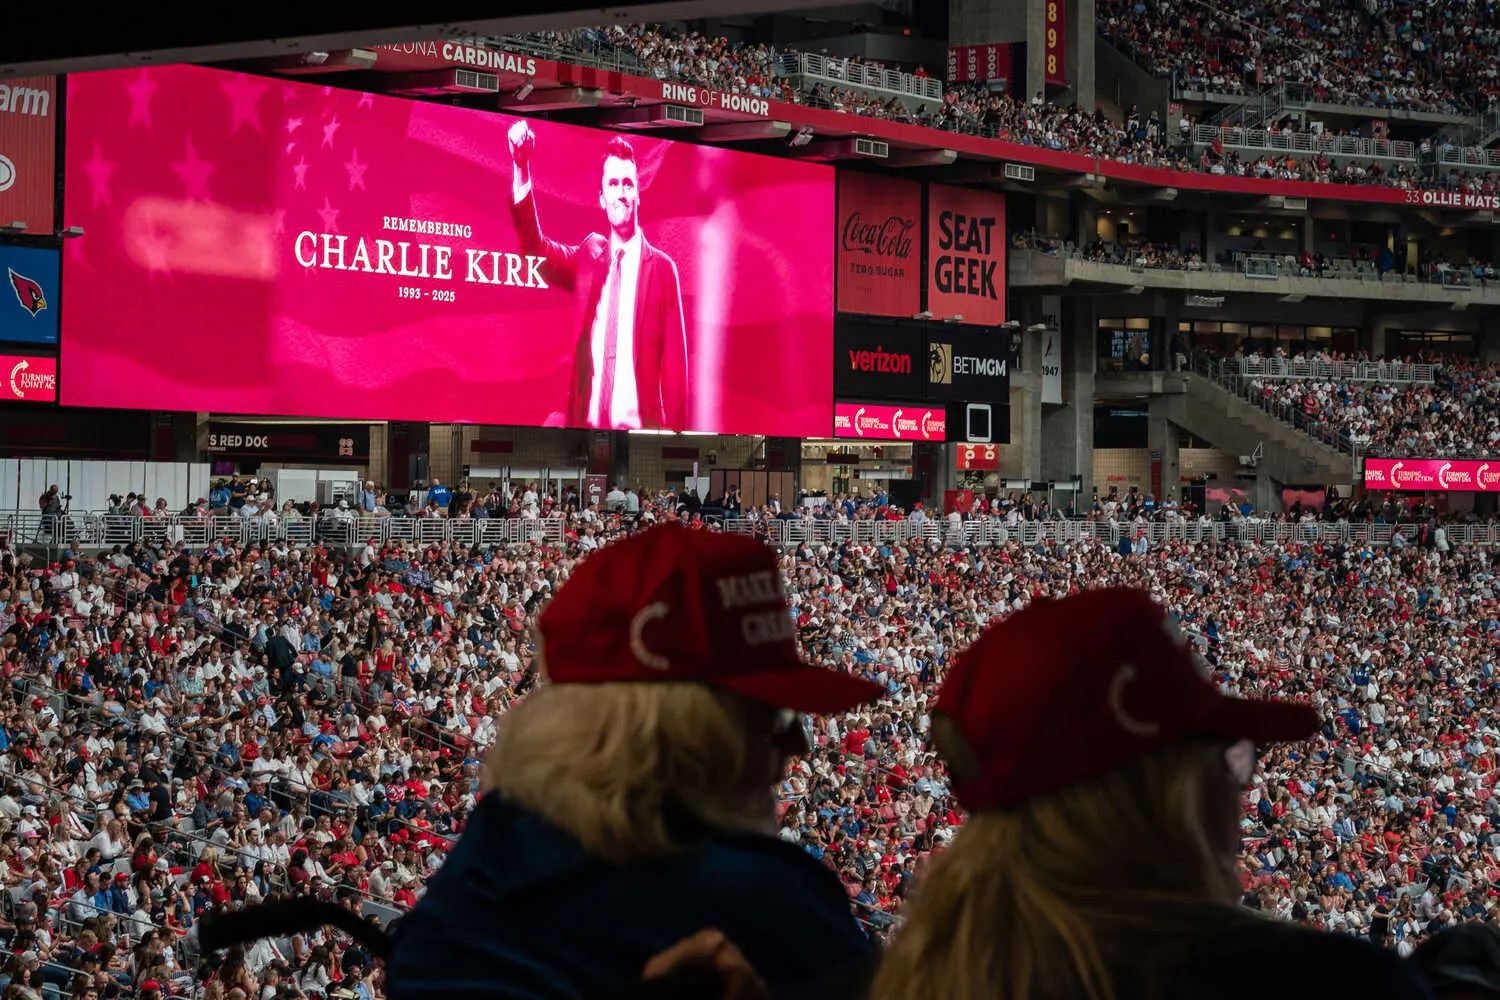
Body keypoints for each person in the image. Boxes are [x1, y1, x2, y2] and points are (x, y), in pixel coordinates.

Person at [386, 523, 881, 998]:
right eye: (770, 718)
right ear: (687, 735)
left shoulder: (471, 879)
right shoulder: (771, 903)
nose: (797, 746)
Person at [872, 588, 1433, 1000]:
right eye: (1227, 759)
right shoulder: (1326, 984)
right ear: (1170, 796)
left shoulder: (913, 977)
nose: (1238, 792)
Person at [507, 119, 688, 431]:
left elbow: (675, 372)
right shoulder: (590, 256)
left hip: (641, 430)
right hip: (584, 427)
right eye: (613, 184)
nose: (621, 193)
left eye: (628, 184)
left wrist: (678, 438)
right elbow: (536, 251)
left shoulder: (661, 270)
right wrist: (521, 166)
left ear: (638, 195)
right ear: (602, 198)